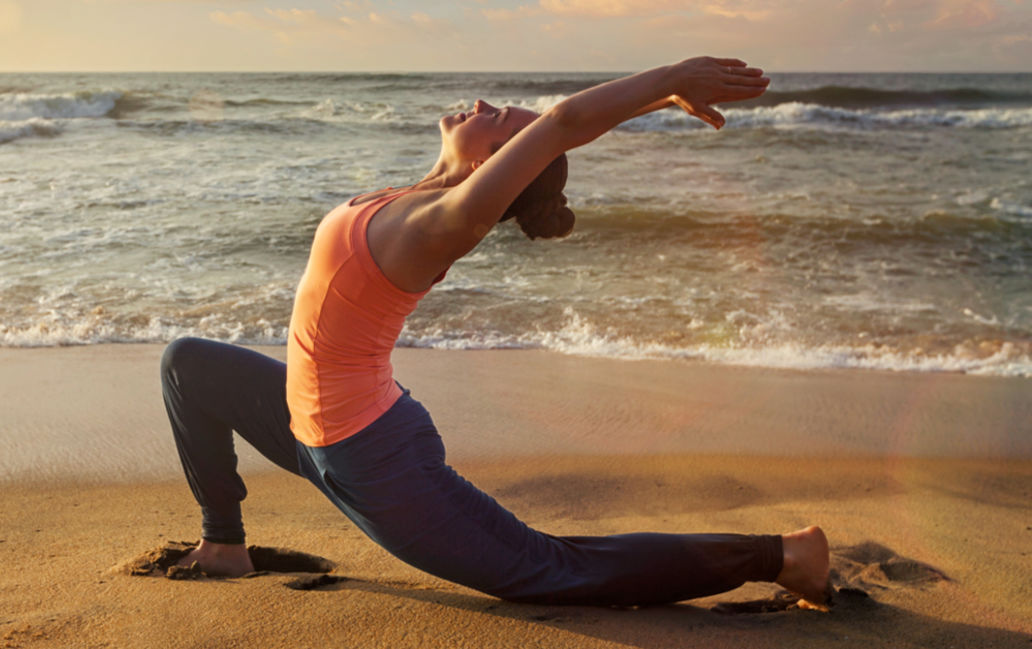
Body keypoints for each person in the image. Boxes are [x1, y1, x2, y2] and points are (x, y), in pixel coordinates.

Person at [161, 56, 830, 607]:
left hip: (377, 462)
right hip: (308, 430)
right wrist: (658, 103)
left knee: (553, 569)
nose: (482, 106)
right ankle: (224, 543)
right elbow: (558, 132)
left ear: (497, 168)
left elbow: (563, 124)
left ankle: (784, 555)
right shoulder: (414, 198)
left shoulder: (442, 225)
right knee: (187, 363)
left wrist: (668, 78)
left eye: (499, 119)